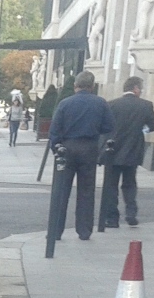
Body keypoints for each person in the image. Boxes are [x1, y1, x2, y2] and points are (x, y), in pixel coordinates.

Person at [47, 70, 115, 241]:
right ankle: (84, 231)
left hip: (67, 147)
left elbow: (54, 130)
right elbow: (109, 127)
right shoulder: (101, 103)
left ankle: (55, 231)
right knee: (86, 191)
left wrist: (56, 148)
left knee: (61, 191)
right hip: (89, 147)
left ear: (75, 85)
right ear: (92, 86)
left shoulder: (65, 103)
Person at [100, 76, 154, 228]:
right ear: (136, 89)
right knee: (130, 183)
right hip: (133, 149)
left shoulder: (111, 105)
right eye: (141, 88)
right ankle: (131, 212)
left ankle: (112, 218)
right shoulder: (145, 105)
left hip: (112, 150)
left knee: (111, 185)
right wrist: (142, 130)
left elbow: (104, 126)